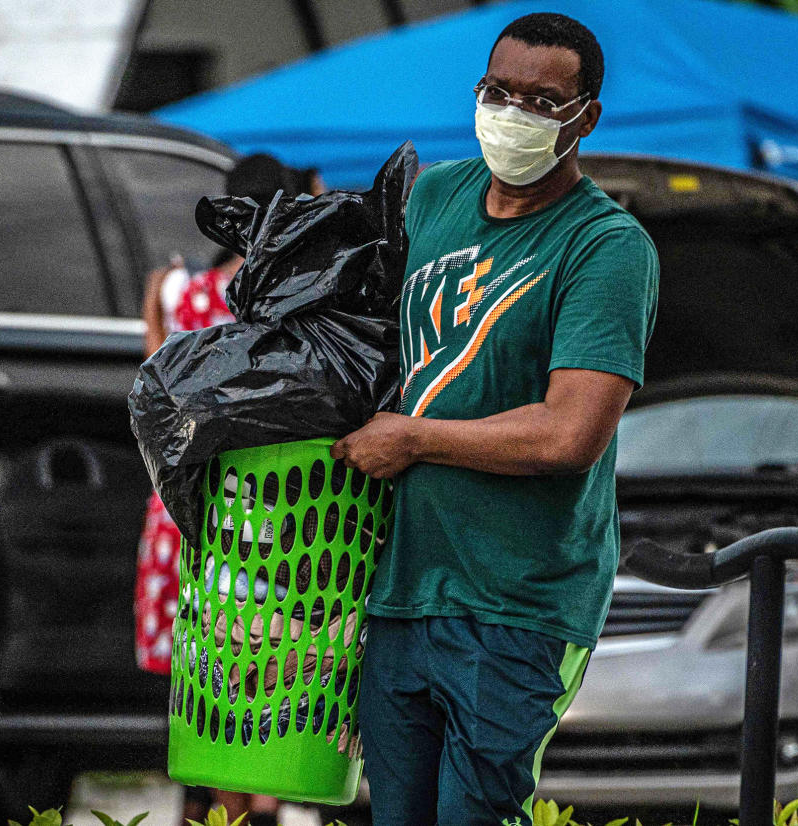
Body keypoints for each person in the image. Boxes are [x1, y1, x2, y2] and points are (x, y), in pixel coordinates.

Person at [330, 12, 659, 826]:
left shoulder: (605, 247)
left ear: (586, 117)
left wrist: (411, 437)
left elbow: (567, 435)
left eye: (543, 101)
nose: (513, 113)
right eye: (498, 92)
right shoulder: (436, 196)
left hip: (518, 602)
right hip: (402, 591)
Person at [135, 153, 318, 826]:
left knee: (203, 680)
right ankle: (262, 805)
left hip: (185, 508)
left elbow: (155, 390)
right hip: (269, 510)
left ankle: (216, 809)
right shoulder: (293, 296)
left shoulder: (180, 292)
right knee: (270, 668)